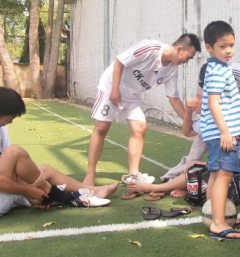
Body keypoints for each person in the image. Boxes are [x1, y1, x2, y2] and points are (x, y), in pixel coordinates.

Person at [0, 87, 117, 218]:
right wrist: (28, 190)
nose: (11, 121)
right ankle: (62, 196)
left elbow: (13, 169)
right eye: (10, 117)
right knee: (14, 152)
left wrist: (30, 189)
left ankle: (94, 191)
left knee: (45, 170)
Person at [83, 34, 200, 196]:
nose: (187, 61)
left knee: (140, 128)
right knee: (102, 127)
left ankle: (133, 174)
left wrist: (191, 122)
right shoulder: (149, 48)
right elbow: (120, 61)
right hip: (111, 85)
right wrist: (115, 89)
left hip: (133, 95)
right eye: (188, 57)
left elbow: (173, 99)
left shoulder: (172, 70)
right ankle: (90, 174)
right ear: (180, 49)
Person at [126, 63, 240, 199]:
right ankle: (187, 188)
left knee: (203, 171)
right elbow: (188, 132)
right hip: (222, 170)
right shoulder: (207, 120)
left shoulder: (228, 120)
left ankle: (157, 188)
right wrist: (188, 113)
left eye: (201, 98)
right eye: (198, 96)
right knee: (191, 165)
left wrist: (233, 167)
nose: (196, 100)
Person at [200, 21, 240, 240]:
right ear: (209, 47)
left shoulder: (217, 68)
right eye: (222, 46)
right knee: (224, 176)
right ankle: (219, 223)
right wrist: (225, 131)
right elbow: (213, 103)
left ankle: (213, 214)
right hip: (222, 133)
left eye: (231, 45)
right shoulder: (218, 71)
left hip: (217, 133)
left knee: (215, 175)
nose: (228, 50)